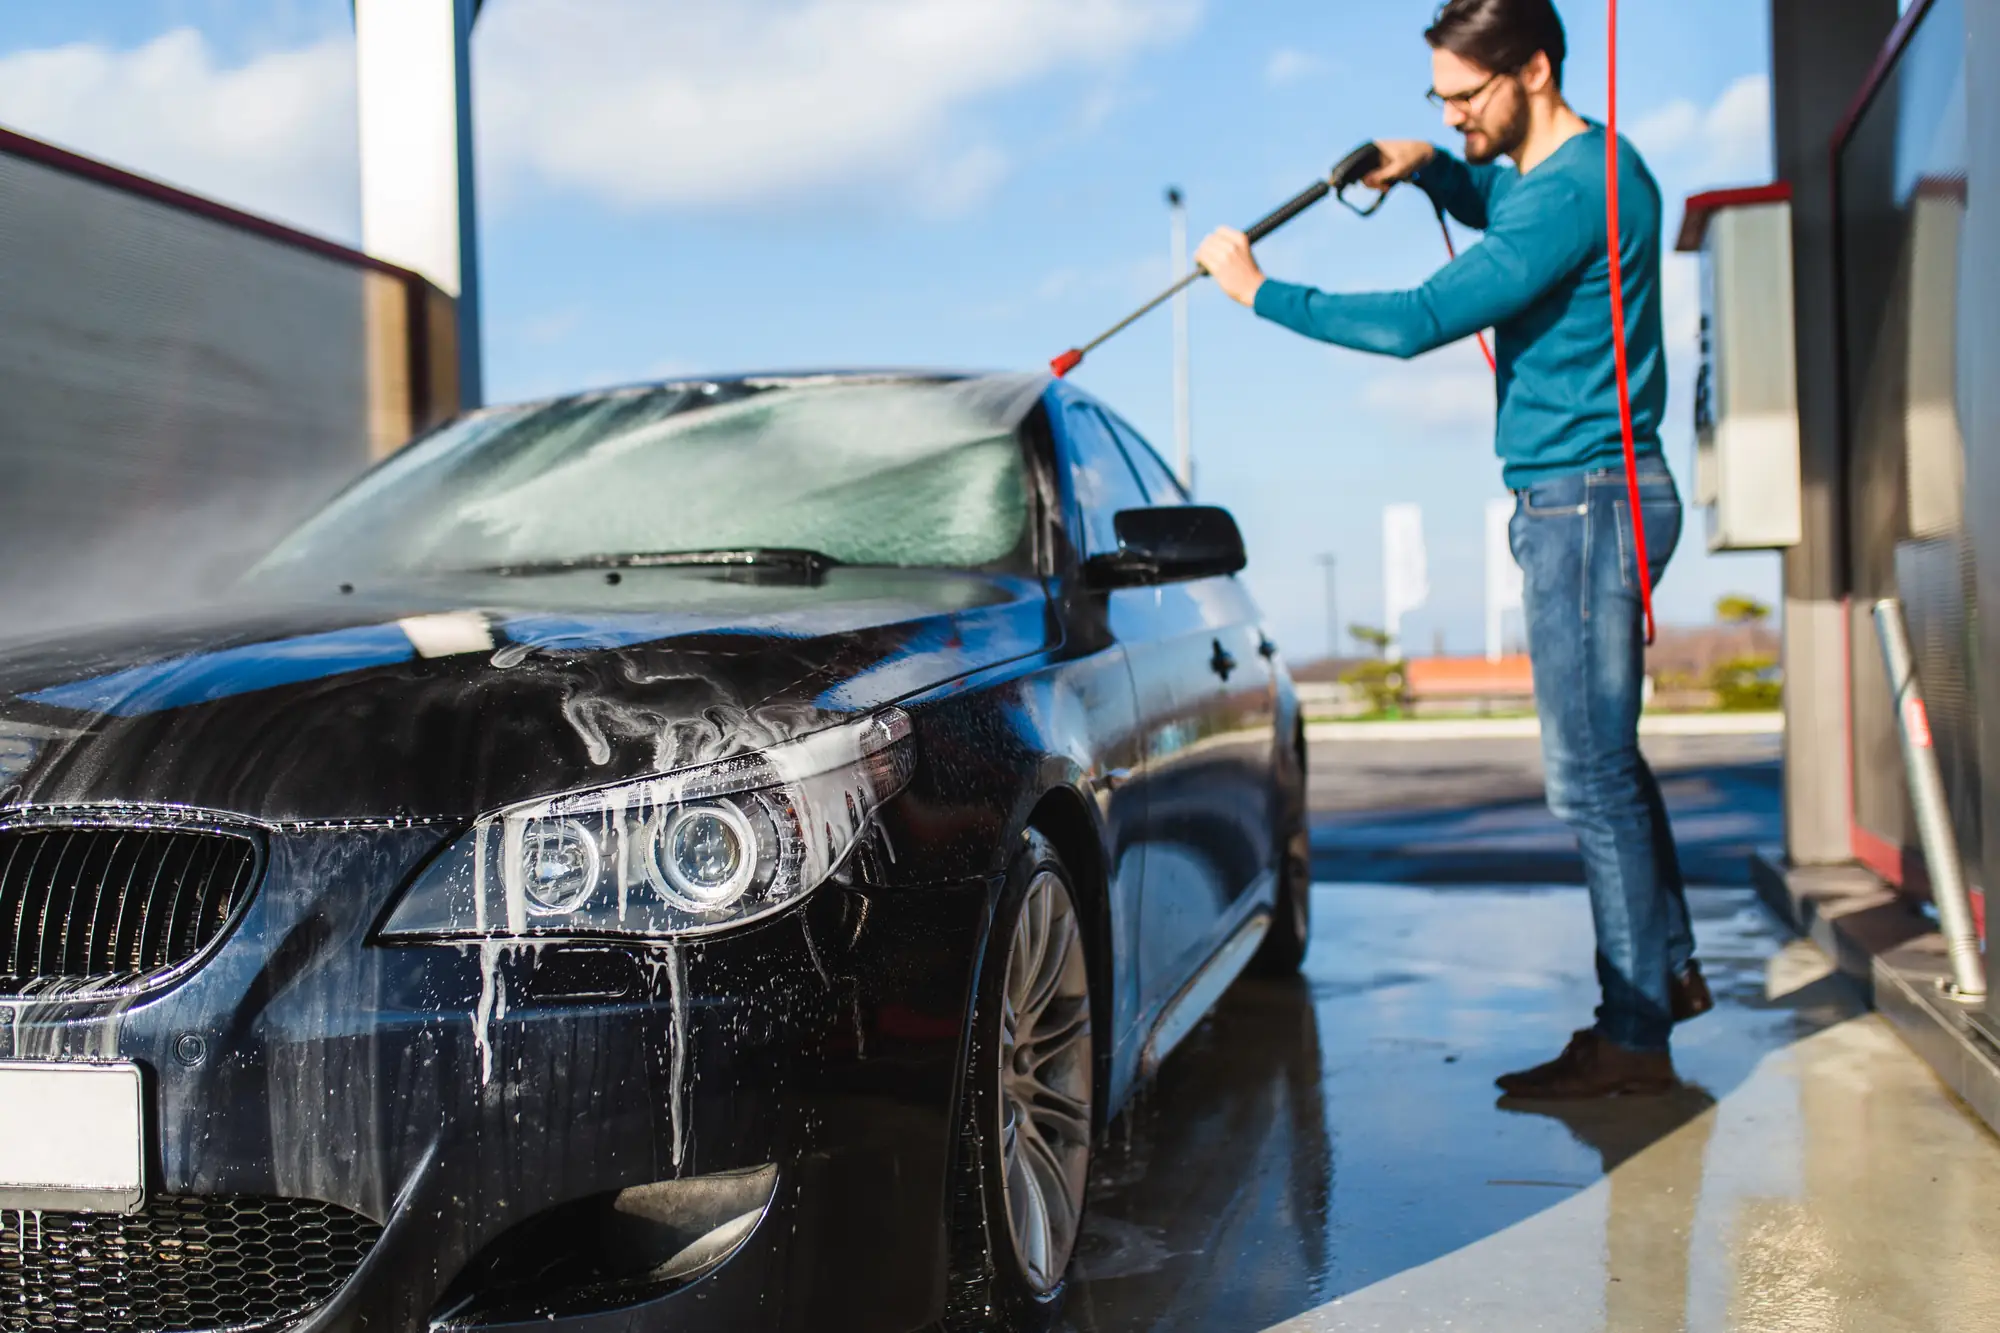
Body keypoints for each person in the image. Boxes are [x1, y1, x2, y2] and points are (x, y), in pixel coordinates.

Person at [1194, 0, 1712, 1099]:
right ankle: (1662, 978)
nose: (1449, 115)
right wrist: (1431, 167)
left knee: (1588, 779)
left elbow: (1416, 319)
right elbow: (1499, 201)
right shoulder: (1581, 170)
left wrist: (1257, 291)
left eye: (1463, 97)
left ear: (1533, 71)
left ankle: (1634, 1037)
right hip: (1590, 498)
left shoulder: (1571, 192)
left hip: (1585, 507)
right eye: (1435, 98)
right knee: (1610, 765)